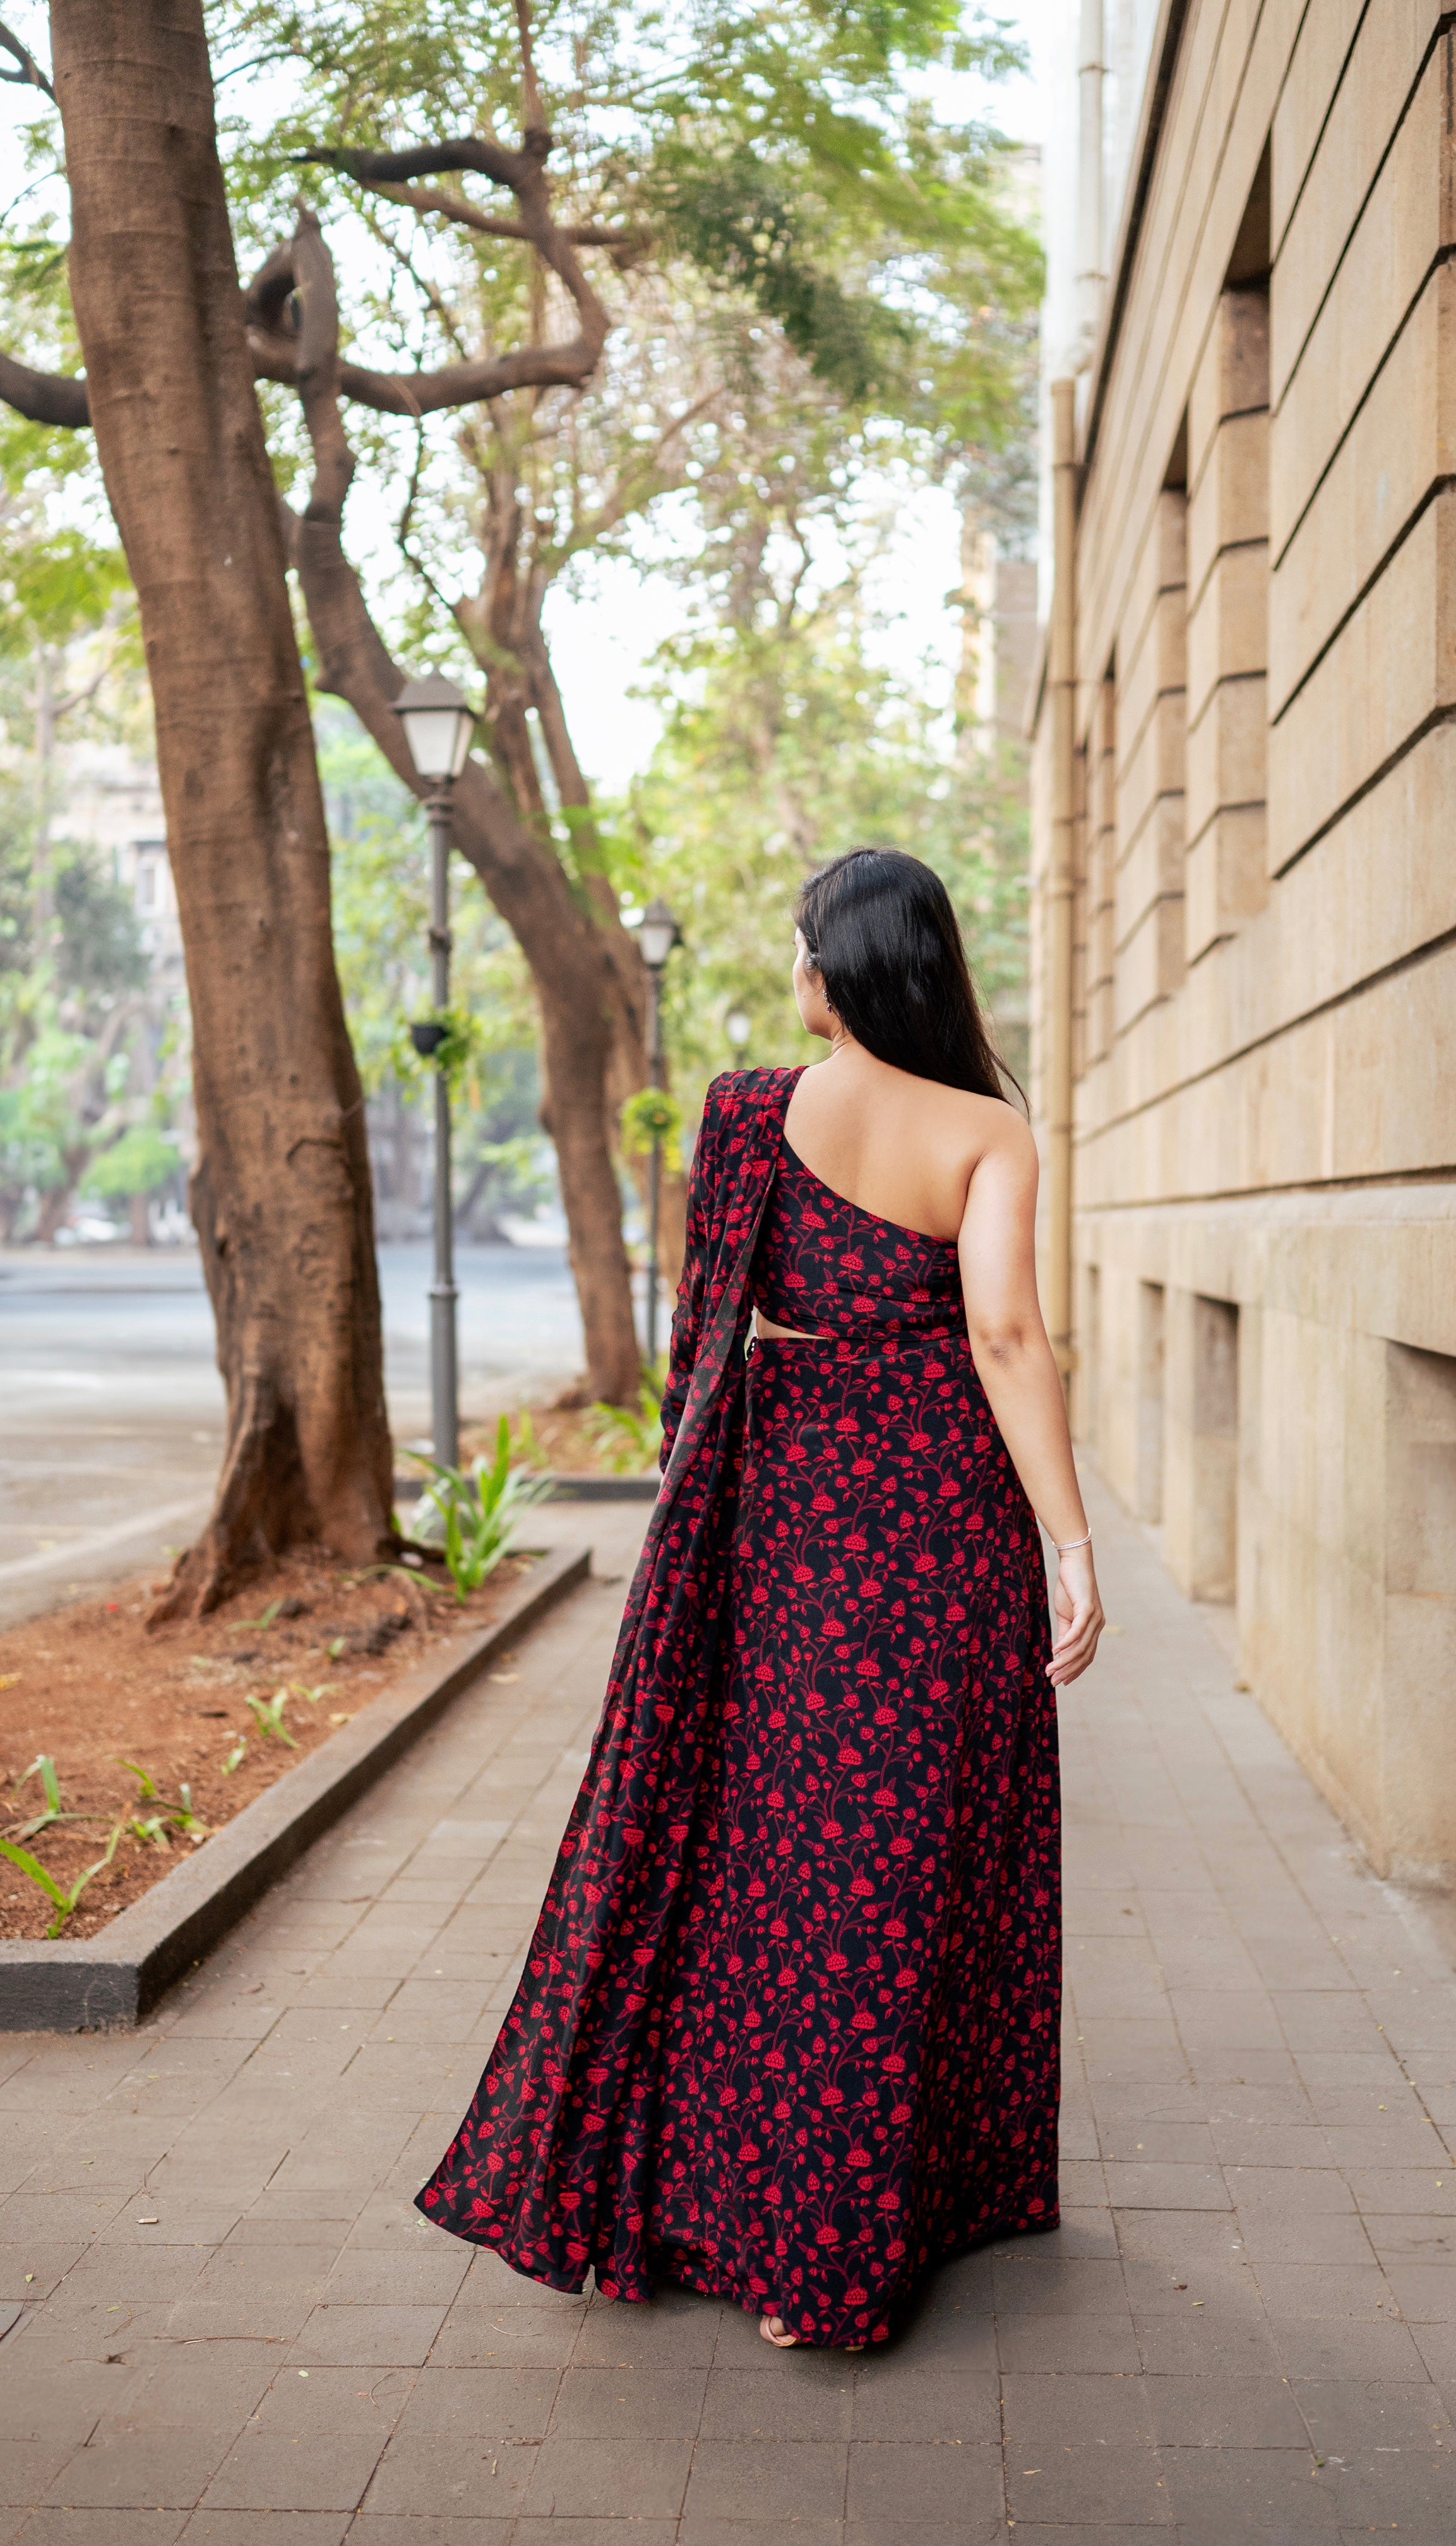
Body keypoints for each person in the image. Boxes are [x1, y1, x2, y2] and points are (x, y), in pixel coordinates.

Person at [417, 847, 1105, 2350]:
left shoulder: (745, 1115)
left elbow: (715, 1333)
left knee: (781, 1860)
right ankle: (876, 2223)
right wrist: (1067, 1538)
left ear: (837, 971)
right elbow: (1004, 1336)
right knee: (914, 1864)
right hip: (942, 1543)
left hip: (782, 1538)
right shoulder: (990, 1129)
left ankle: (743, 2217)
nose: (795, 972)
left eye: (805, 947)